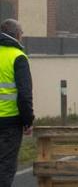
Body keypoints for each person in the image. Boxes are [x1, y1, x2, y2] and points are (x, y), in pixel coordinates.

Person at [0, 19, 33, 187]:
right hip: (9, 122)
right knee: (5, 166)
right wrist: (28, 121)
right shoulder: (18, 57)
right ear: (17, 34)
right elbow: (24, 95)